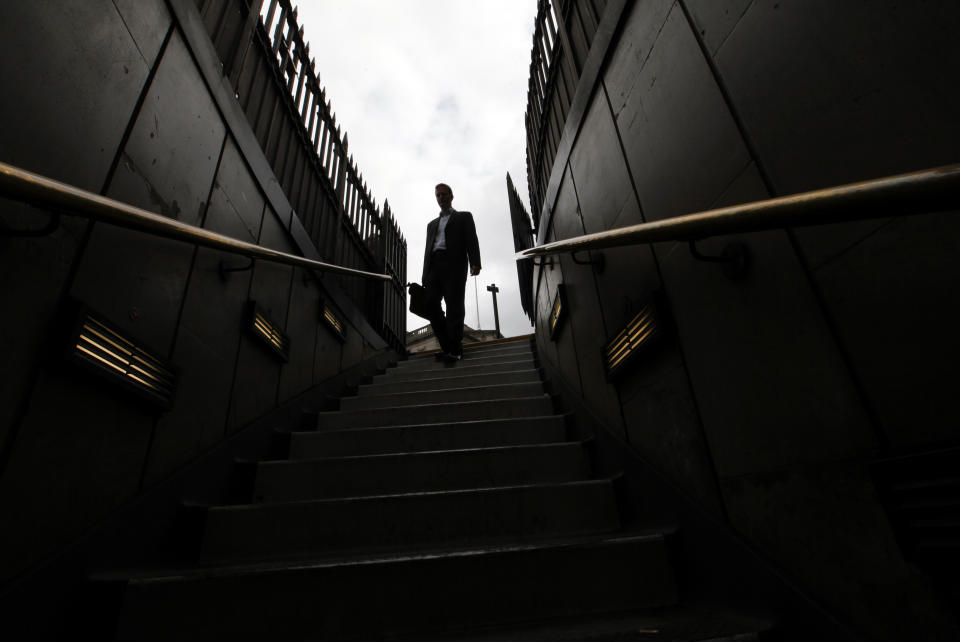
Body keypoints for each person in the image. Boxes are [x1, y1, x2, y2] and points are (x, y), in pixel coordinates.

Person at [422, 183, 481, 361]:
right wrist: (425, 274)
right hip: (434, 266)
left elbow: (472, 240)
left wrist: (475, 262)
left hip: (454, 265)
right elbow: (427, 250)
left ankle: (455, 350)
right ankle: (447, 345)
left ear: (451, 196)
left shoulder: (463, 217)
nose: (441, 198)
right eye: (438, 195)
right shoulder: (431, 225)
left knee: (454, 305)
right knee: (430, 305)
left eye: (444, 194)